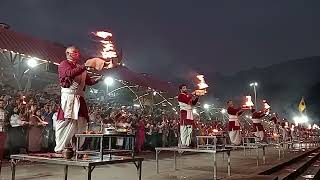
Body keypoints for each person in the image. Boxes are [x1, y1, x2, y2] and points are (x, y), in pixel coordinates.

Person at [55, 46, 103, 153]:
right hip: (69, 97)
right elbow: (69, 74)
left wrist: (97, 80)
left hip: (80, 97)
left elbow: (88, 81)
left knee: (82, 121)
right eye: (74, 52)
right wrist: (85, 66)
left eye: (77, 52)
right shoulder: (64, 64)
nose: (77, 54)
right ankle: (61, 147)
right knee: (66, 120)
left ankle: (77, 147)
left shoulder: (80, 67)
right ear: (68, 53)